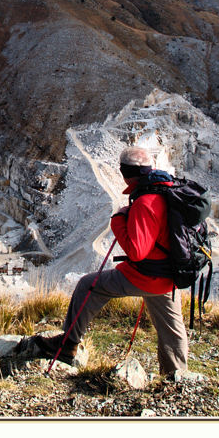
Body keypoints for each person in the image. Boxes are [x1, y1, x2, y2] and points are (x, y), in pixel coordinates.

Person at [27, 146, 190, 375]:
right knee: (172, 329)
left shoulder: (145, 202)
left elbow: (137, 251)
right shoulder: (167, 190)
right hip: (169, 275)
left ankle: (67, 345)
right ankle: (176, 376)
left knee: (88, 285)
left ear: (125, 173)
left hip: (146, 276)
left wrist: (119, 222)